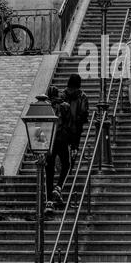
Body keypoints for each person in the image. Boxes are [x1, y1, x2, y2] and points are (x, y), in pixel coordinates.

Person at [45, 87, 71, 215]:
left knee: (49, 170)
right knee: (67, 164)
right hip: (62, 139)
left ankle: (49, 201)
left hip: (49, 141)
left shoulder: (44, 107)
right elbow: (69, 125)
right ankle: (59, 186)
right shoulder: (65, 106)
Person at [61, 73, 89, 167]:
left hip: (64, 126)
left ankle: (64, 164)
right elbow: (84, 111)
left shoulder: (62, 94)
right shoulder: (82, 95)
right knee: (75, 145)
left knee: (64, 146)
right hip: (76, 127)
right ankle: (71, 163)